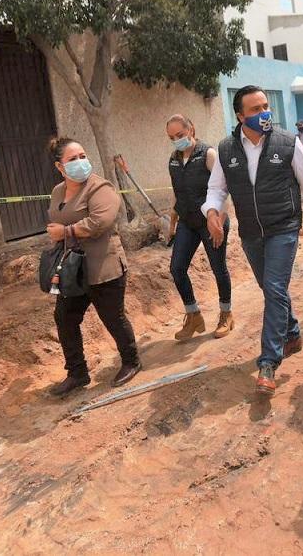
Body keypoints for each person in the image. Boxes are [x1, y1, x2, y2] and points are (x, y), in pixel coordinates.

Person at [203, 85, 303, 396]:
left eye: (265, 107)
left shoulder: (287, 143)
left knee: (273, 289)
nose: (263, 114)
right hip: (251, 233)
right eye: (255, 109)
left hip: (284, 228)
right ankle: (293, 332)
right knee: (272, 288)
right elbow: (217, 189)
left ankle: (269, 362)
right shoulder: (227, 149)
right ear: (240, 115)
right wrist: (212, 212)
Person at [45, 136, 142, 396]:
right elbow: (55, 216)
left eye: (82, 156)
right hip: (73, 269)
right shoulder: (57, 192)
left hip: (104, 265)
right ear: (59, 167)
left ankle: (132, 361)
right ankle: (77, 373)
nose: (80, 162)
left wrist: (64, 232)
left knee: (112, 316)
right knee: (65, 318)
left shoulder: (101, 188)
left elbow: (101, 222)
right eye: (72, 159)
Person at [165, 115, 234, 341]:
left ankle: (226, 313)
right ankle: (193, 315)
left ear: (191, 129)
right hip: (187, 221)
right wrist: (172, 223)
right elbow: (177, 193)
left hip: (210, 221)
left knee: (218, 267)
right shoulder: (173, 160)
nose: (177, 140)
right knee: (177, 268)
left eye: (180, 135)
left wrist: (220, 220)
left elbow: (223, 189)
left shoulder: (208, 154)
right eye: (172, 137)